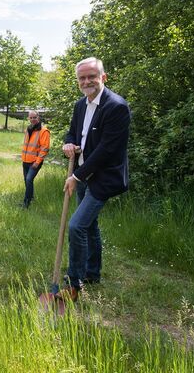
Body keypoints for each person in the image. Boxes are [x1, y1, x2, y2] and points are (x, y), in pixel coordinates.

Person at [57, 57, 131, 302]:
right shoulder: (80, 105)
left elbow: (107, 150)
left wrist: (76, 176)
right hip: (83, 173)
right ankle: (93, 273)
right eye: (82, 78)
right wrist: (69, 143)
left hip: (102, 178)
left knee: (77, 226)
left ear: (103, 77)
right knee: (90, 226)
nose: (87, 81)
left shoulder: (116, 107)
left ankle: (74, 283)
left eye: (92, 76)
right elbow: (73, 132)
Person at [21, 110, 50, 208]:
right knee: (26, 180)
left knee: (29, 180)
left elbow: (44, 149)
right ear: (28, 118)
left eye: (35, 117)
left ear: (38, 117)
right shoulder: (29, 128)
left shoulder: (44, 131)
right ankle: (31, 198)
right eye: (31, 117)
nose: (33, 119)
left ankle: (26, 203)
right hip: (25, 160)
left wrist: (37, 162)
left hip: (34, 162)